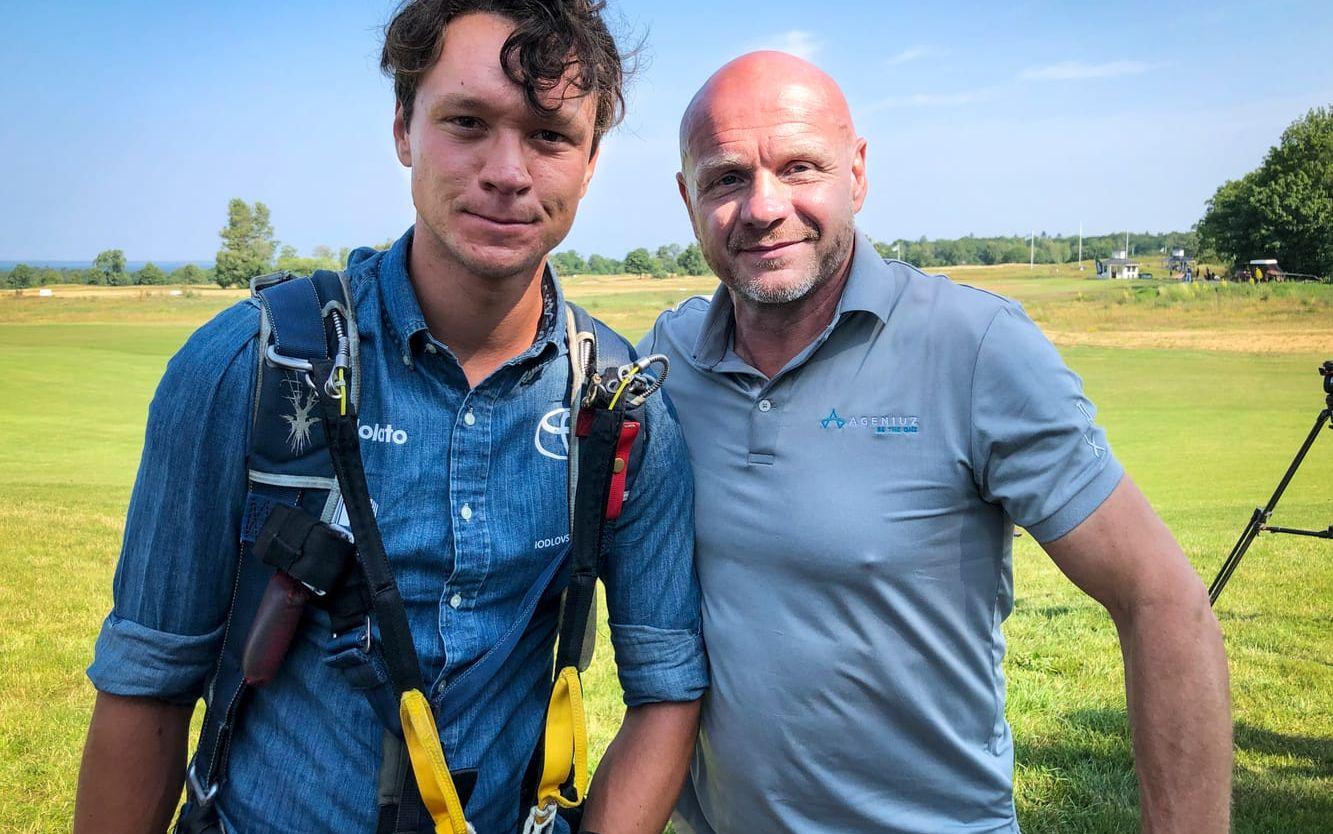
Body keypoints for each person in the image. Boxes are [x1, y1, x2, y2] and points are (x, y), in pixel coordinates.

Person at [74, 3, 706, 833]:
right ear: (404, 128)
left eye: (550, 136)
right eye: (467, 122)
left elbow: (665, 688)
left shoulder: (619, 402)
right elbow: (147, 683)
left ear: (589, 162)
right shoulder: (250, 364)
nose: (507, 171)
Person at [640, 51, 1231, 833]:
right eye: (725, 178)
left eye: (799, 167)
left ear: (856, 173)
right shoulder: (670, 355)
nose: (763, 206)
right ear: (687, 197)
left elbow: (1160, 600)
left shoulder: (974, 346)